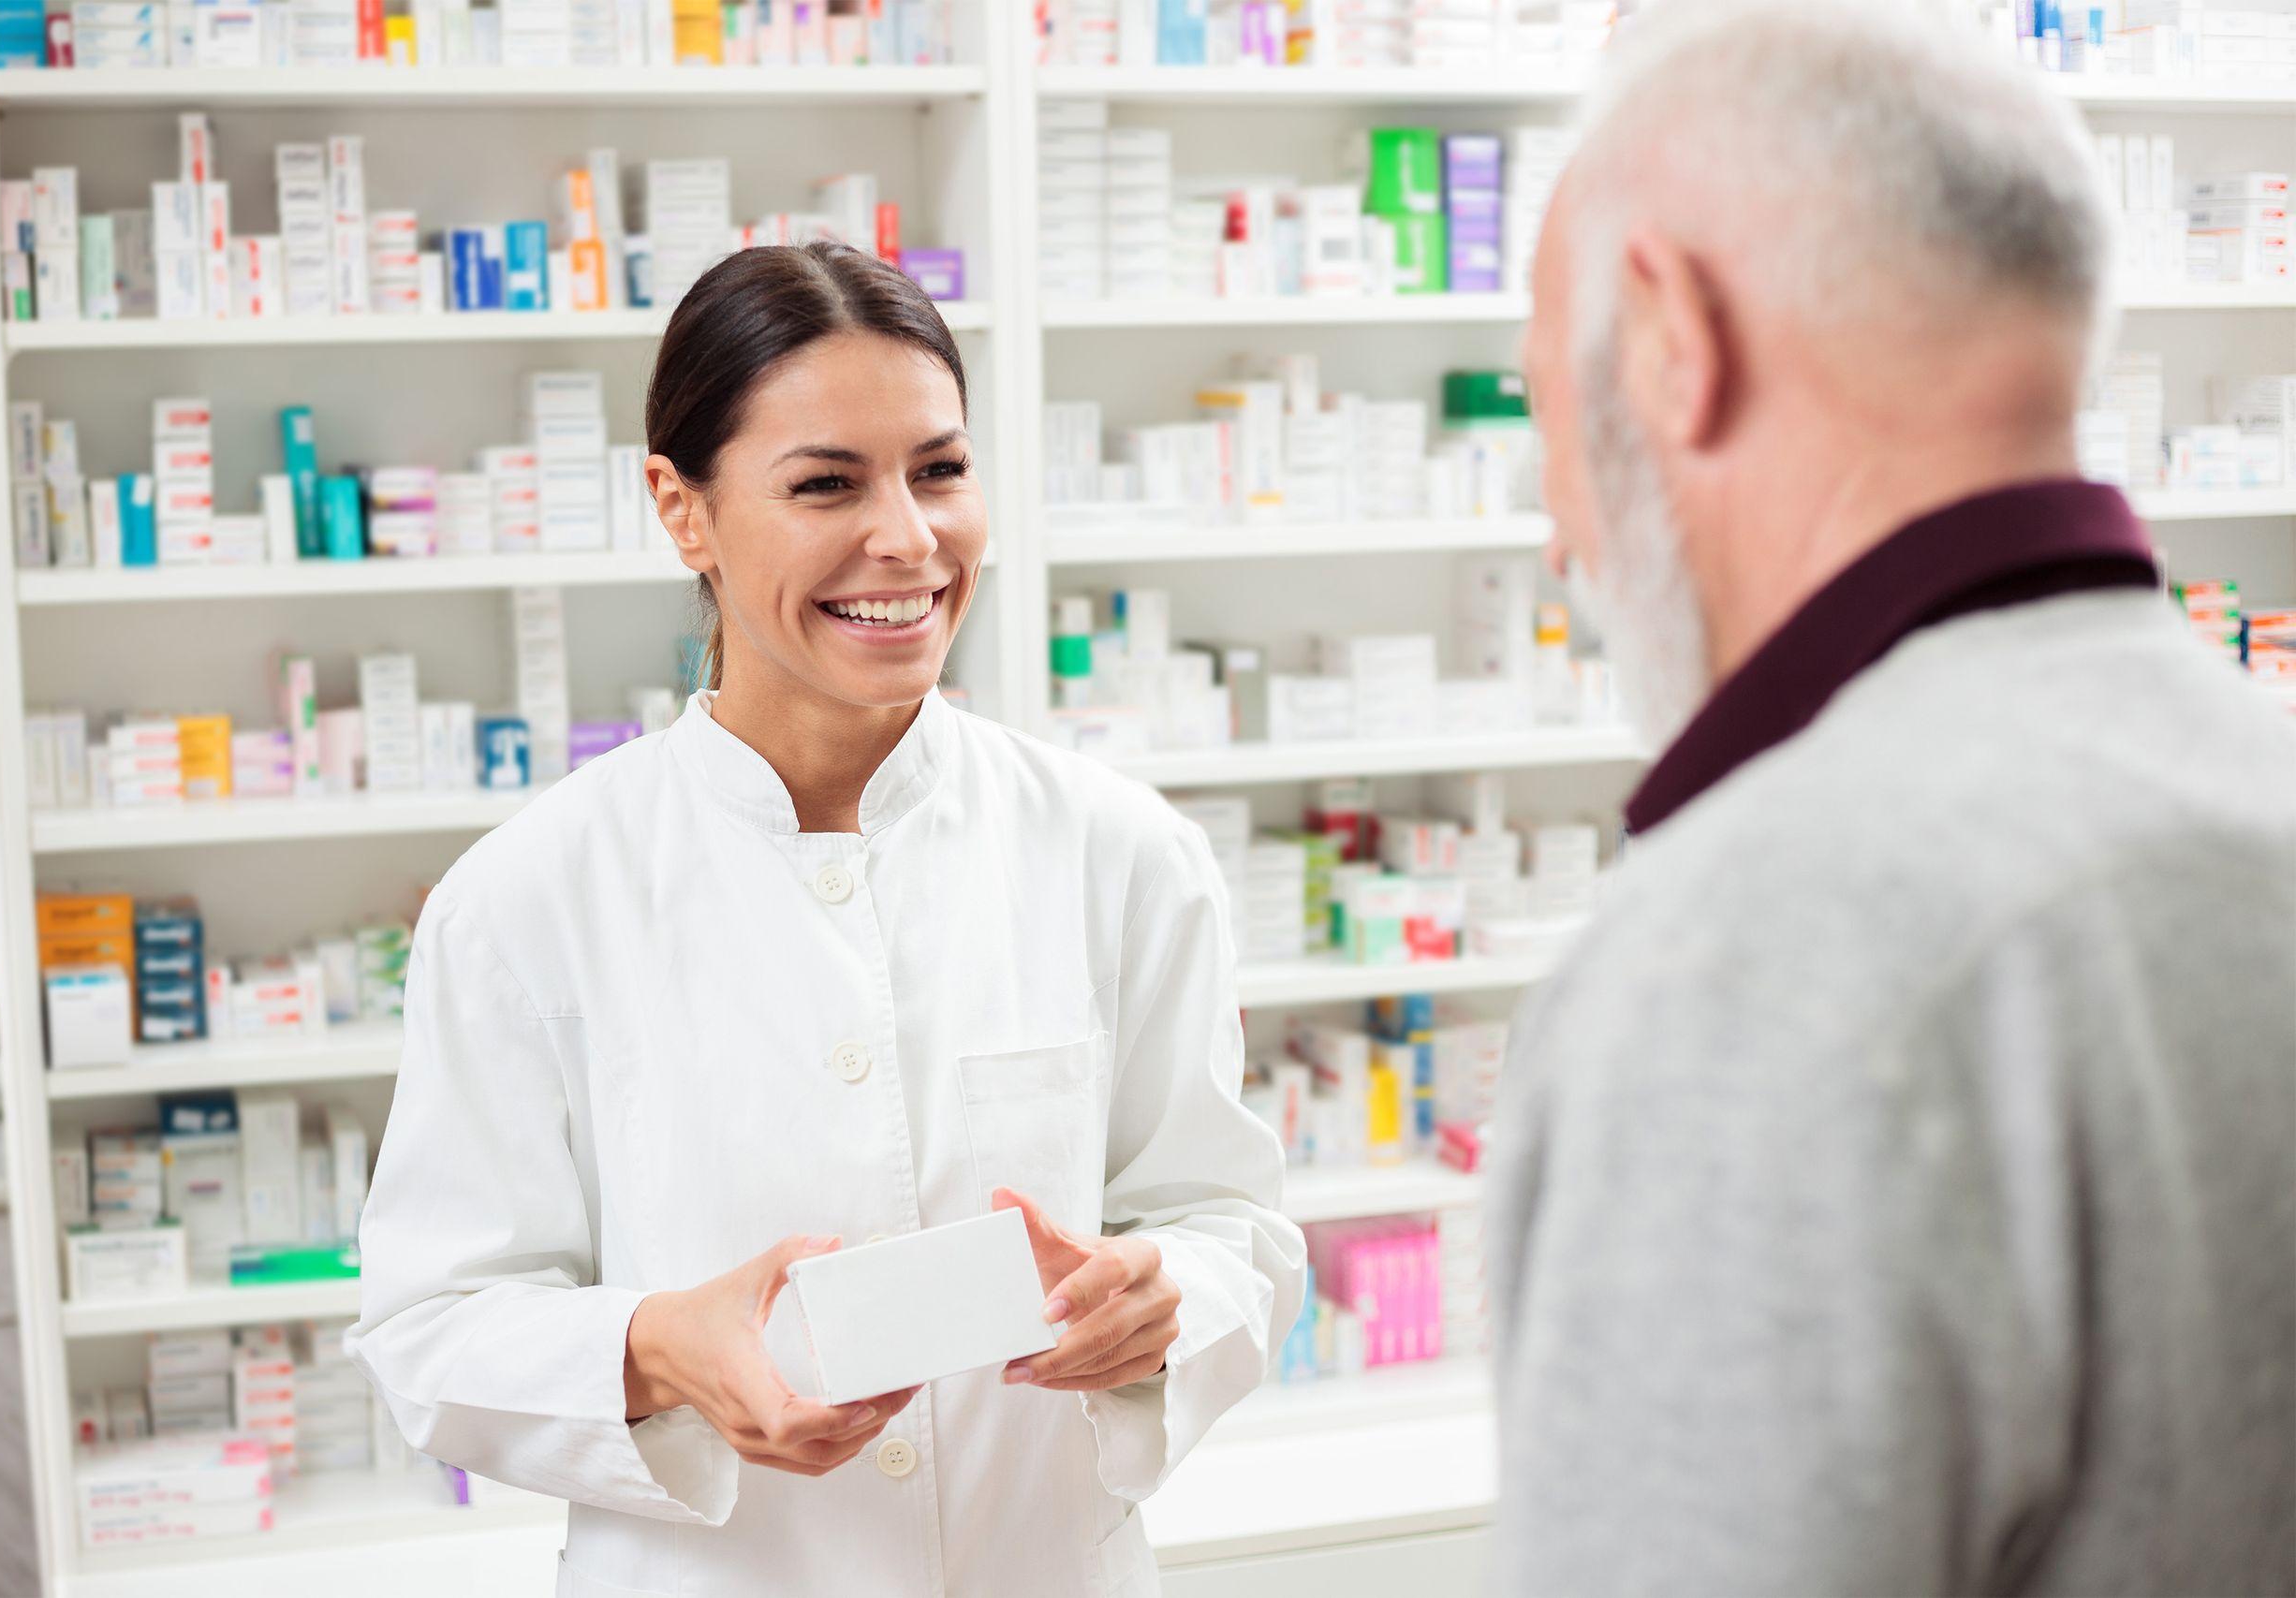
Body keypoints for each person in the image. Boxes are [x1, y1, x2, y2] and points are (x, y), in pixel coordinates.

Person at [350, 242, 1303, 1598]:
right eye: (825, 485)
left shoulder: (1123, 855)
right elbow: (430, 1325)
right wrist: (658, 1348)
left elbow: (1232, 1226)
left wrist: (1165, 1299)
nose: (910, 538)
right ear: (682, 511)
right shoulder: (528, 899)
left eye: (941, 469)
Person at [1486, 3, 2296, 1594]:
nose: (1561, 528)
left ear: (1669, 339)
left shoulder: (1760, 958)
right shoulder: (2256, 780)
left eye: (1542, 411)